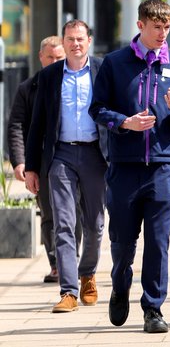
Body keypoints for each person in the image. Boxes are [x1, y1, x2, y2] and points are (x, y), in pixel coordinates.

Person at [91, 0, 170, 334]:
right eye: (156, 27)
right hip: (124, 167)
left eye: (167, 27)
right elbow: (97, 108)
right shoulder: (115, 63)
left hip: (162, 167)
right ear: (140, 26)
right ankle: (120, 283)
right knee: (122, 242)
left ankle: (153, 307)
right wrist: (125, 123)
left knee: (159, 241)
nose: (162, 33)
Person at [25, 20, 108, 314]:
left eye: (80, 39)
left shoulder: (103, 71)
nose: (75, 44)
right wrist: (32, 167)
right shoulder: (49, 76)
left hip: (95, 155)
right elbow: (37, 125)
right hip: (60, 156)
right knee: (63, 222)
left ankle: (87, 274)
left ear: (89, 41)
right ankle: (69, 290)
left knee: (95, 224)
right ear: (64, 41)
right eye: (70, 39)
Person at [7, 35, 65, 283]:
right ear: (41, 58)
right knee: (50, 213)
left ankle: (73, 260)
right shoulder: (28, 88)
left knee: (76, 213)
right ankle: (56, 264)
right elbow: (17, 126)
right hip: (42, 160)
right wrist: (20, 162)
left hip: (73, 154)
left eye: (58, 57)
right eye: (49, 57)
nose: (54, 61)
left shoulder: (79, 83)